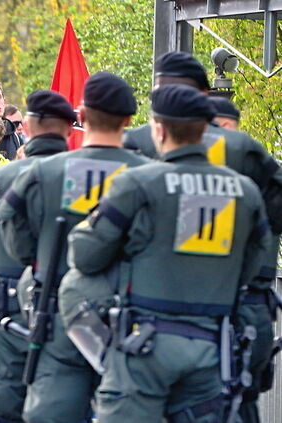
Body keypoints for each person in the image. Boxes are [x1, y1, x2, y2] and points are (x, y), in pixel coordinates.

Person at [70, 84, 270, 422]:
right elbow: (251, 266)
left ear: (159, 129)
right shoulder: (245, 191)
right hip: (212, 348)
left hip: (144, 348)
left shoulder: (137, 183)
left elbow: (86, 257)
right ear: (206, 132)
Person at [125, 52, 282, 422]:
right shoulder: (240, 149)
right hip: (231, 309)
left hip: (145, 314)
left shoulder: (133, 143)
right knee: (235, 403)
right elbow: (272, 218)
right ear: (203, 95)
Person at [0, 75, 149, 422]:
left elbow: (14, 233)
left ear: (81, 114)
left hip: (56, 318)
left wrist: (42, 259)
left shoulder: (41, 173)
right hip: (136, 324)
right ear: (127, 120)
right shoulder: (152, 175)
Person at [0, 89, 75, 422]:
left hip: (6, 307)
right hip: (68, 308)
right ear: (69, 128)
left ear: (28, 126)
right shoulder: (85, 178)